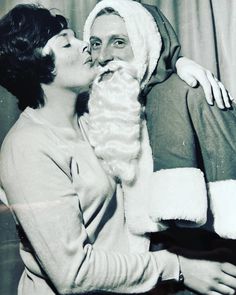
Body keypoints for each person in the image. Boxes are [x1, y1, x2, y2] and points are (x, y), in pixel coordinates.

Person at [0, 3, 236, 295]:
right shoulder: (28, 147)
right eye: (66, 42)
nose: (86, 46)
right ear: (37, 63)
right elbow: (73, 274)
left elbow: (144, 65)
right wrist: (178, 267)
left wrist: (179, 63)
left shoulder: (94, 115)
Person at [83, 0, 236, 294]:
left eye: (118, 42)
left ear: (144, 46)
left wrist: (176, 60)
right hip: (124, 272)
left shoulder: (190, 96)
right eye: (95, 43)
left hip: (199, 271)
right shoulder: (88, 105)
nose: (103, 56)